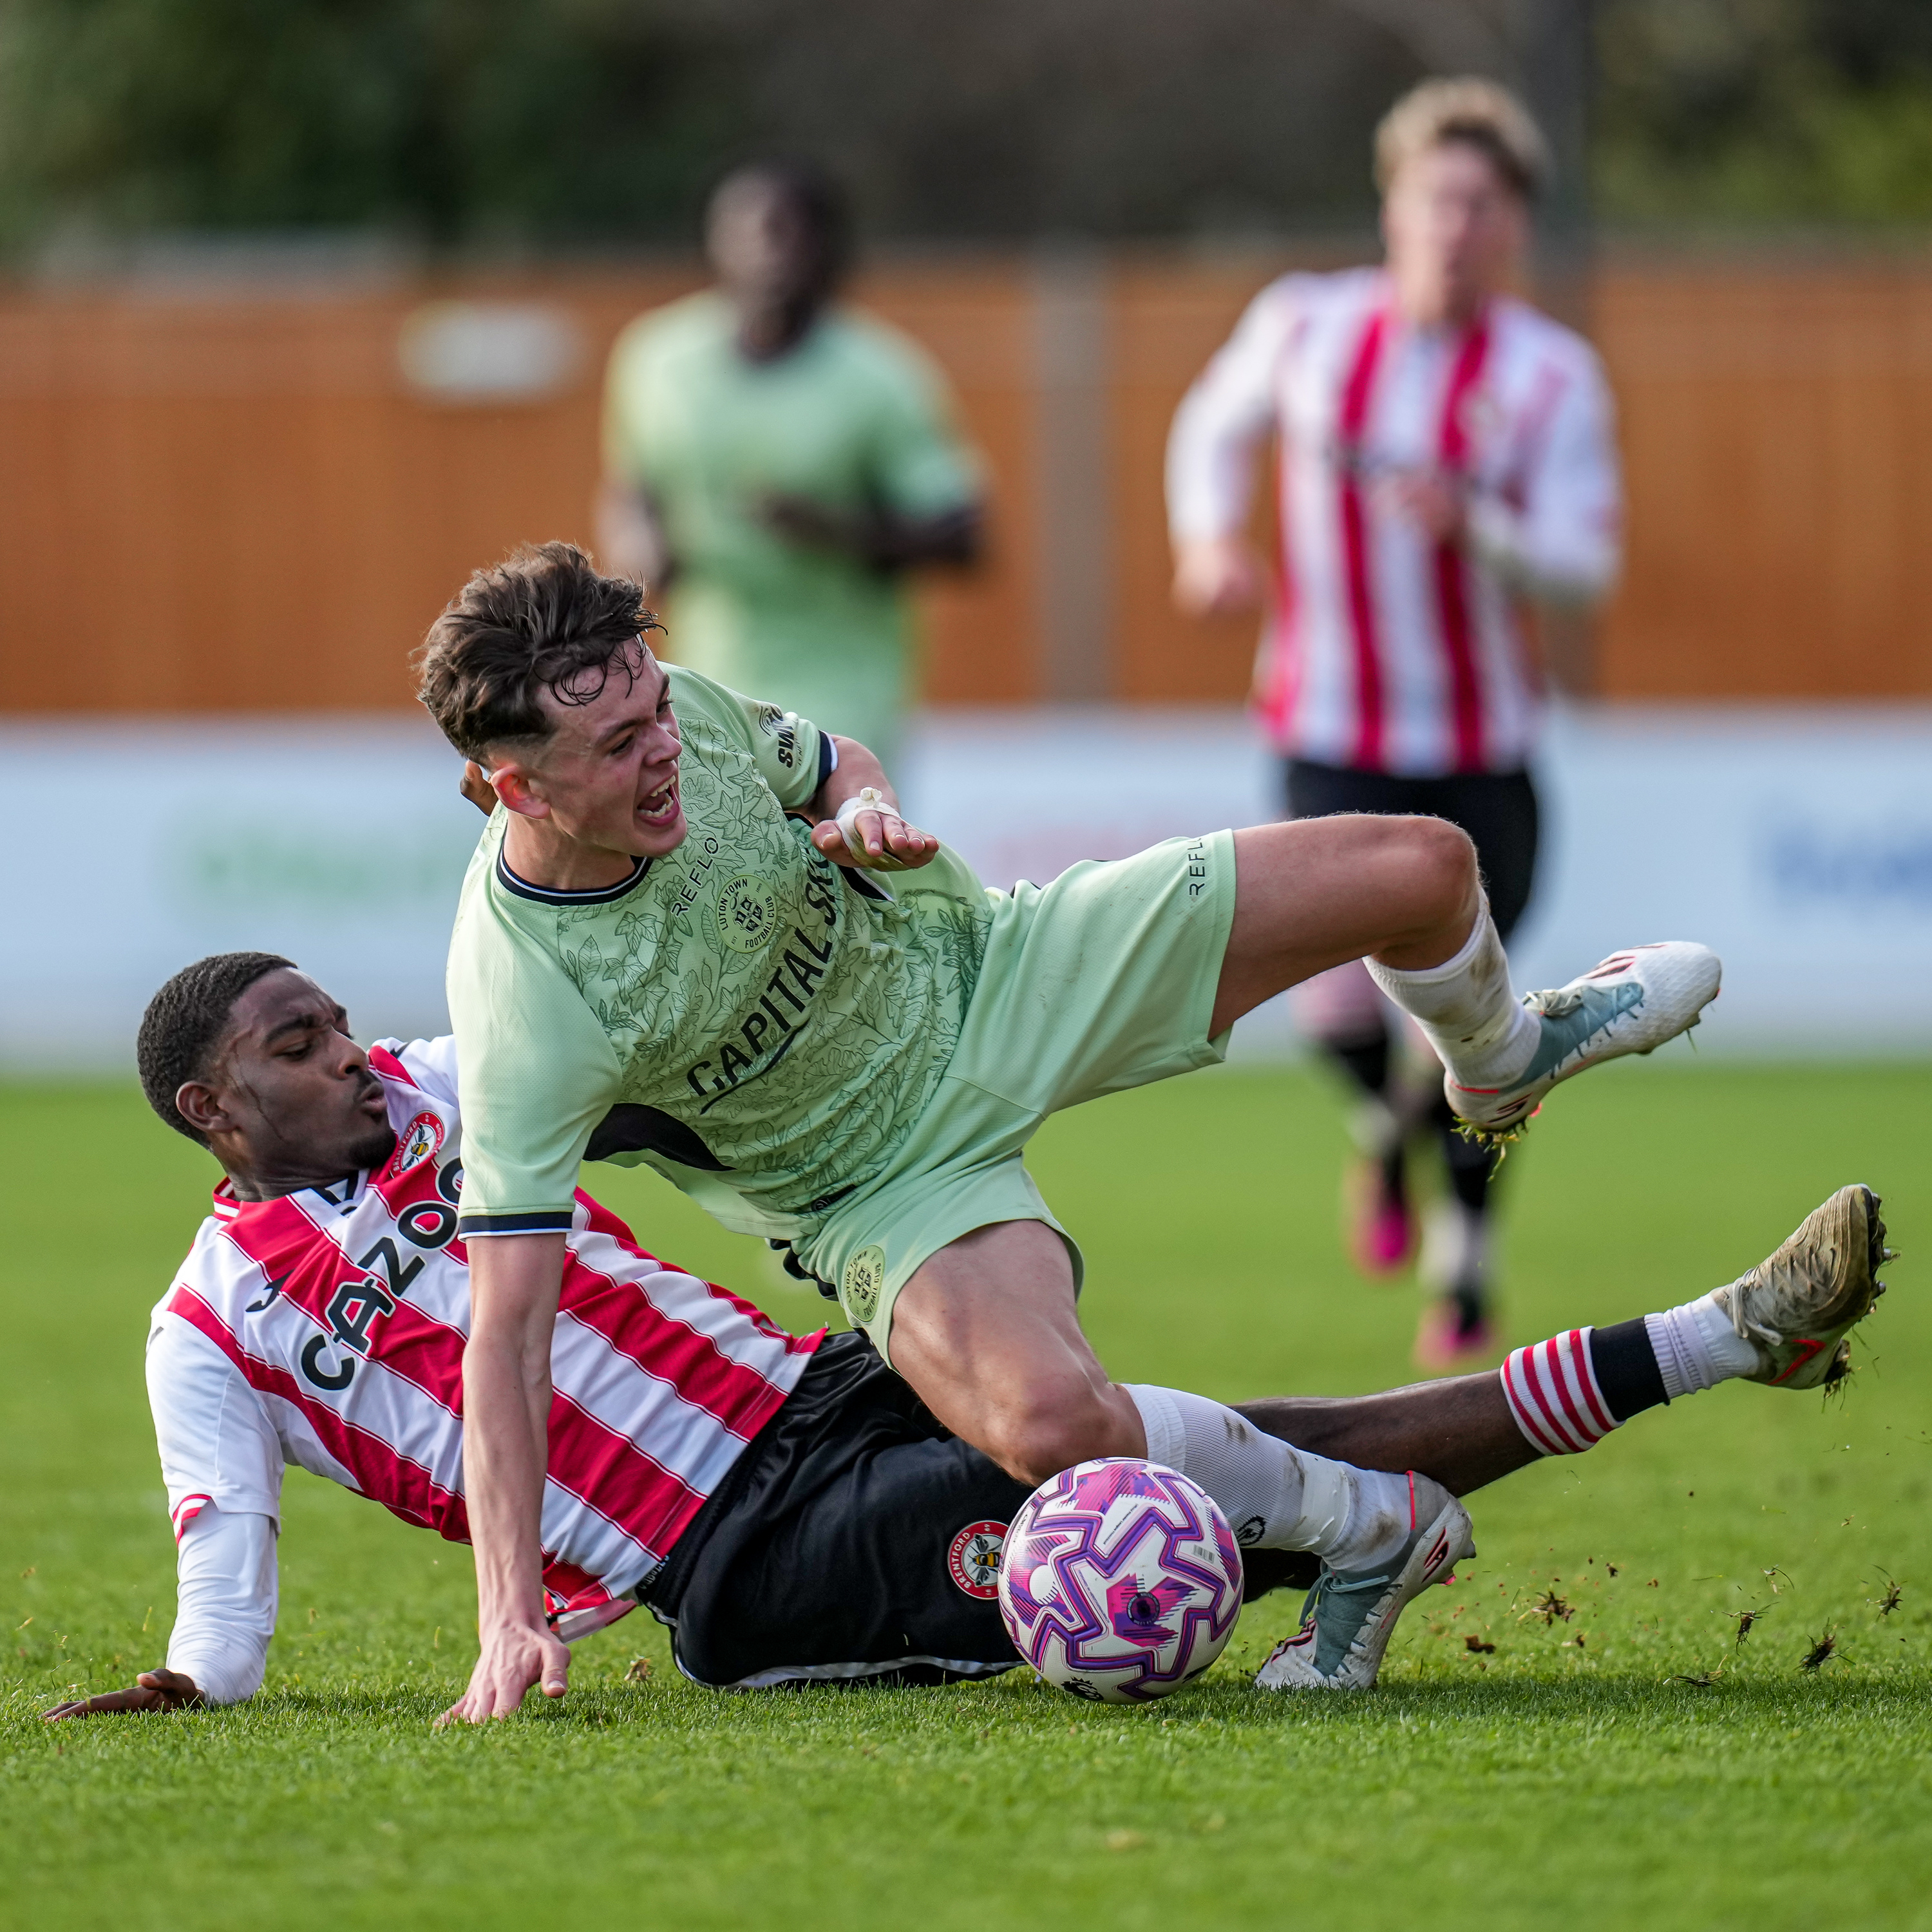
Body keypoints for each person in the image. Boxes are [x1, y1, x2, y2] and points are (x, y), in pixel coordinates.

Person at [416, 538, 1719, 1723]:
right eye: (619, 746)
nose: (662, 750)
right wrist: (507, 1611)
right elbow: (507, 1334)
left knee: (1423, 870)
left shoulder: (676, 709)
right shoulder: (528, 998)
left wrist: (863, 812)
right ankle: (1373, 1531)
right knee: (1055, 1433)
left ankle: (1498, 1063)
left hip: (1000, 969)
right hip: (876, 1181)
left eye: (655, 710)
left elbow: (830, 762)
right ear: (511, 785)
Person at [44, 953, 1886, 1719]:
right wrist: (198, 1686)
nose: (347, 1053)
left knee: (1208, 1438)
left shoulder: (459, 1089)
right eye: (294, 1048)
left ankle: (1707, 1345)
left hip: (821, 1387)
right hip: (740, 1563)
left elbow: (664, 1043)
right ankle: (1648, 1380)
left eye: (339, 1020)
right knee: (1134, 1493)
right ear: (214, 1111)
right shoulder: (206, 1332)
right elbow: (229, 1573)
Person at [1166, 78, 1624, 1367]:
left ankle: (1465, 1257)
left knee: (1476, 1028)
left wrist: (1477, 525)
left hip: (1487, 751)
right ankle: (1381, 1134)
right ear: (1394, 207)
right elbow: (1209, 424)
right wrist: (1209, 538)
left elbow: (1588, 567)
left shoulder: (1549, 376)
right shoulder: (1308, 327)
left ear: (1515, 225)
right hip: (1330, 728)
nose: (1455, 226)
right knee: (1345, 1017)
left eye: (1482, 204)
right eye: (1436, 199)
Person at [596, 158, 983, 773]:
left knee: (827, 853)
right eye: (744, 231)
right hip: (704, 676)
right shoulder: (657, 360)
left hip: (843, 684)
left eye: (785, 232)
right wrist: (640, 545)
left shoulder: (880, 378)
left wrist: (834, 531)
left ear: (829, 249)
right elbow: (636, 483)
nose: (765, 251)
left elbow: (964, 537)